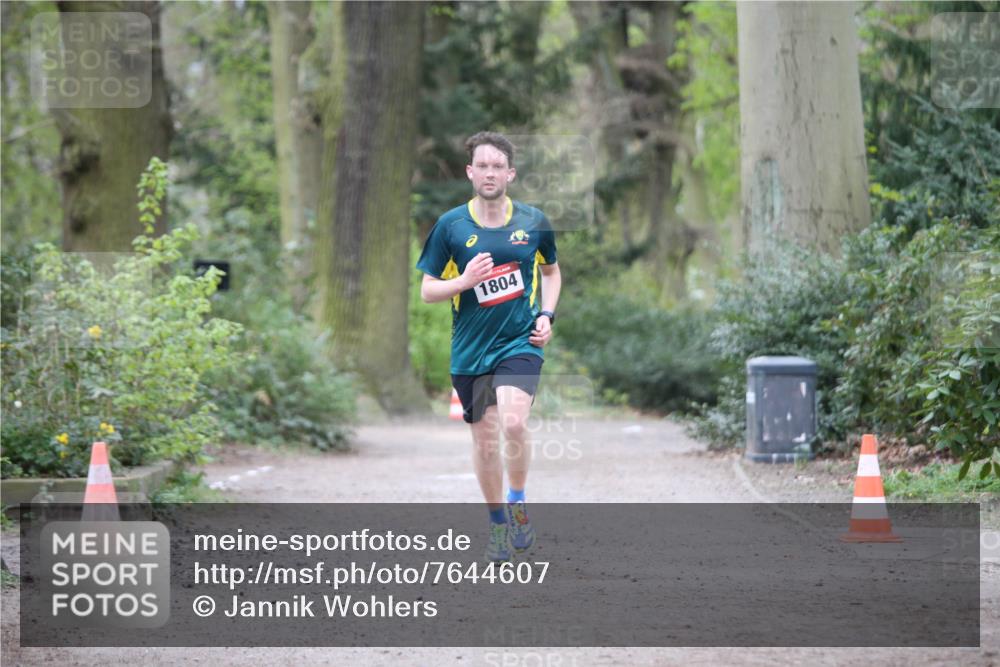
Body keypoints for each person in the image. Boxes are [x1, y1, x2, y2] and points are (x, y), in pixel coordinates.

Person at [416, 131, 561, 562]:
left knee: (514, 423)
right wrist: (464, 282)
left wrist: (547, 315)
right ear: (470, 172)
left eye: (498, 166)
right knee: (484, 442)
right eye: (483, 165)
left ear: (510, 173)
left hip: (520, 341)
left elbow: (551, 273)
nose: (490, 172)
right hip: (471, 350)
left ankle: (517, 504)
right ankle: (497, 522)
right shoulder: (451, 226)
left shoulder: (533, 222)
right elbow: (427, 290)